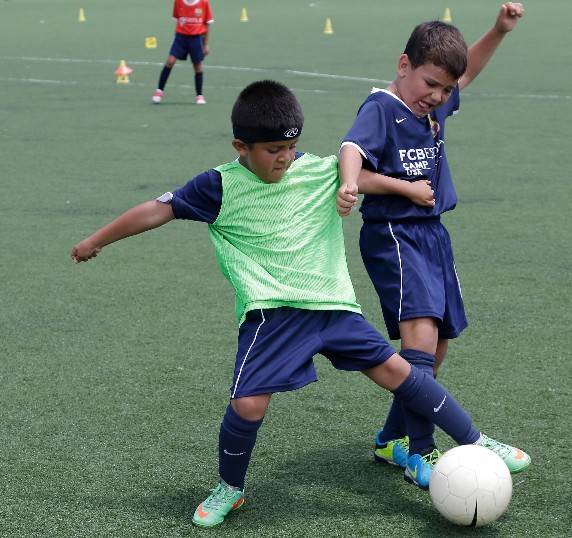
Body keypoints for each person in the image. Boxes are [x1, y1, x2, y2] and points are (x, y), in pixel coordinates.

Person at [71, 80, 529, 528]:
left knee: (403, 372)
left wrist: (403, 188)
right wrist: (96, 240)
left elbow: (359, 174)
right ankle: (231, 487)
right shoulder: (219, 186)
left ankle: (476, 439)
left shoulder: (316, 169)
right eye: (272, 150)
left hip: (333, 306)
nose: (285, 158)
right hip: (272, 313)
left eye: (290, 148)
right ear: (241, 146)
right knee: (248, 405)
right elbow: (158, 208)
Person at [336, 3, 530, 490]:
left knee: (435, 348)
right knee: (418, 342)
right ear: (404, 66)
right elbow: (352, 153)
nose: (438, 96)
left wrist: (499, 31)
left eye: (445, 89)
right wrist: (376, 186)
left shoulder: (436, 99)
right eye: (430, 84)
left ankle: (389, 439)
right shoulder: (381, 106)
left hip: (432, 236)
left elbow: (469, 72)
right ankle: (421, 453)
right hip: (395, 234)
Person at [152, 0, 213, 105]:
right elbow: (178, 18)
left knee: (198, 66)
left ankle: (199, 95)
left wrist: (206, 44)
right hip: (180, 37)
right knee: (170, 61)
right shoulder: (178, 1)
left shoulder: (203, 2)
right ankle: (159, 91)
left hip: (196, 39)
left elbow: (207, 24)